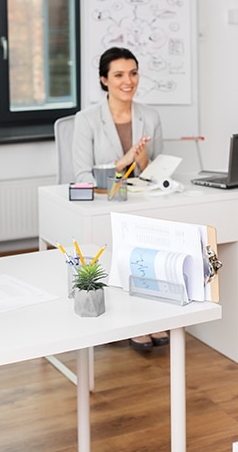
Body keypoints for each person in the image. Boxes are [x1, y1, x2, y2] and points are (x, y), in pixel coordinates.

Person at [71, 47, 167, 352]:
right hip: (105, 207)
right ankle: (130, 321)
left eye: (134, 73)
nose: (129, 81)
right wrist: (121, 160)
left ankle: (151, 316)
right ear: (104, 80)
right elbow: (82, 176)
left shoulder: (150, 116)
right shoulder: (86, 120)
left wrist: (142, 162)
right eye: (119, 75)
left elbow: (158, 172)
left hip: (141, 203)